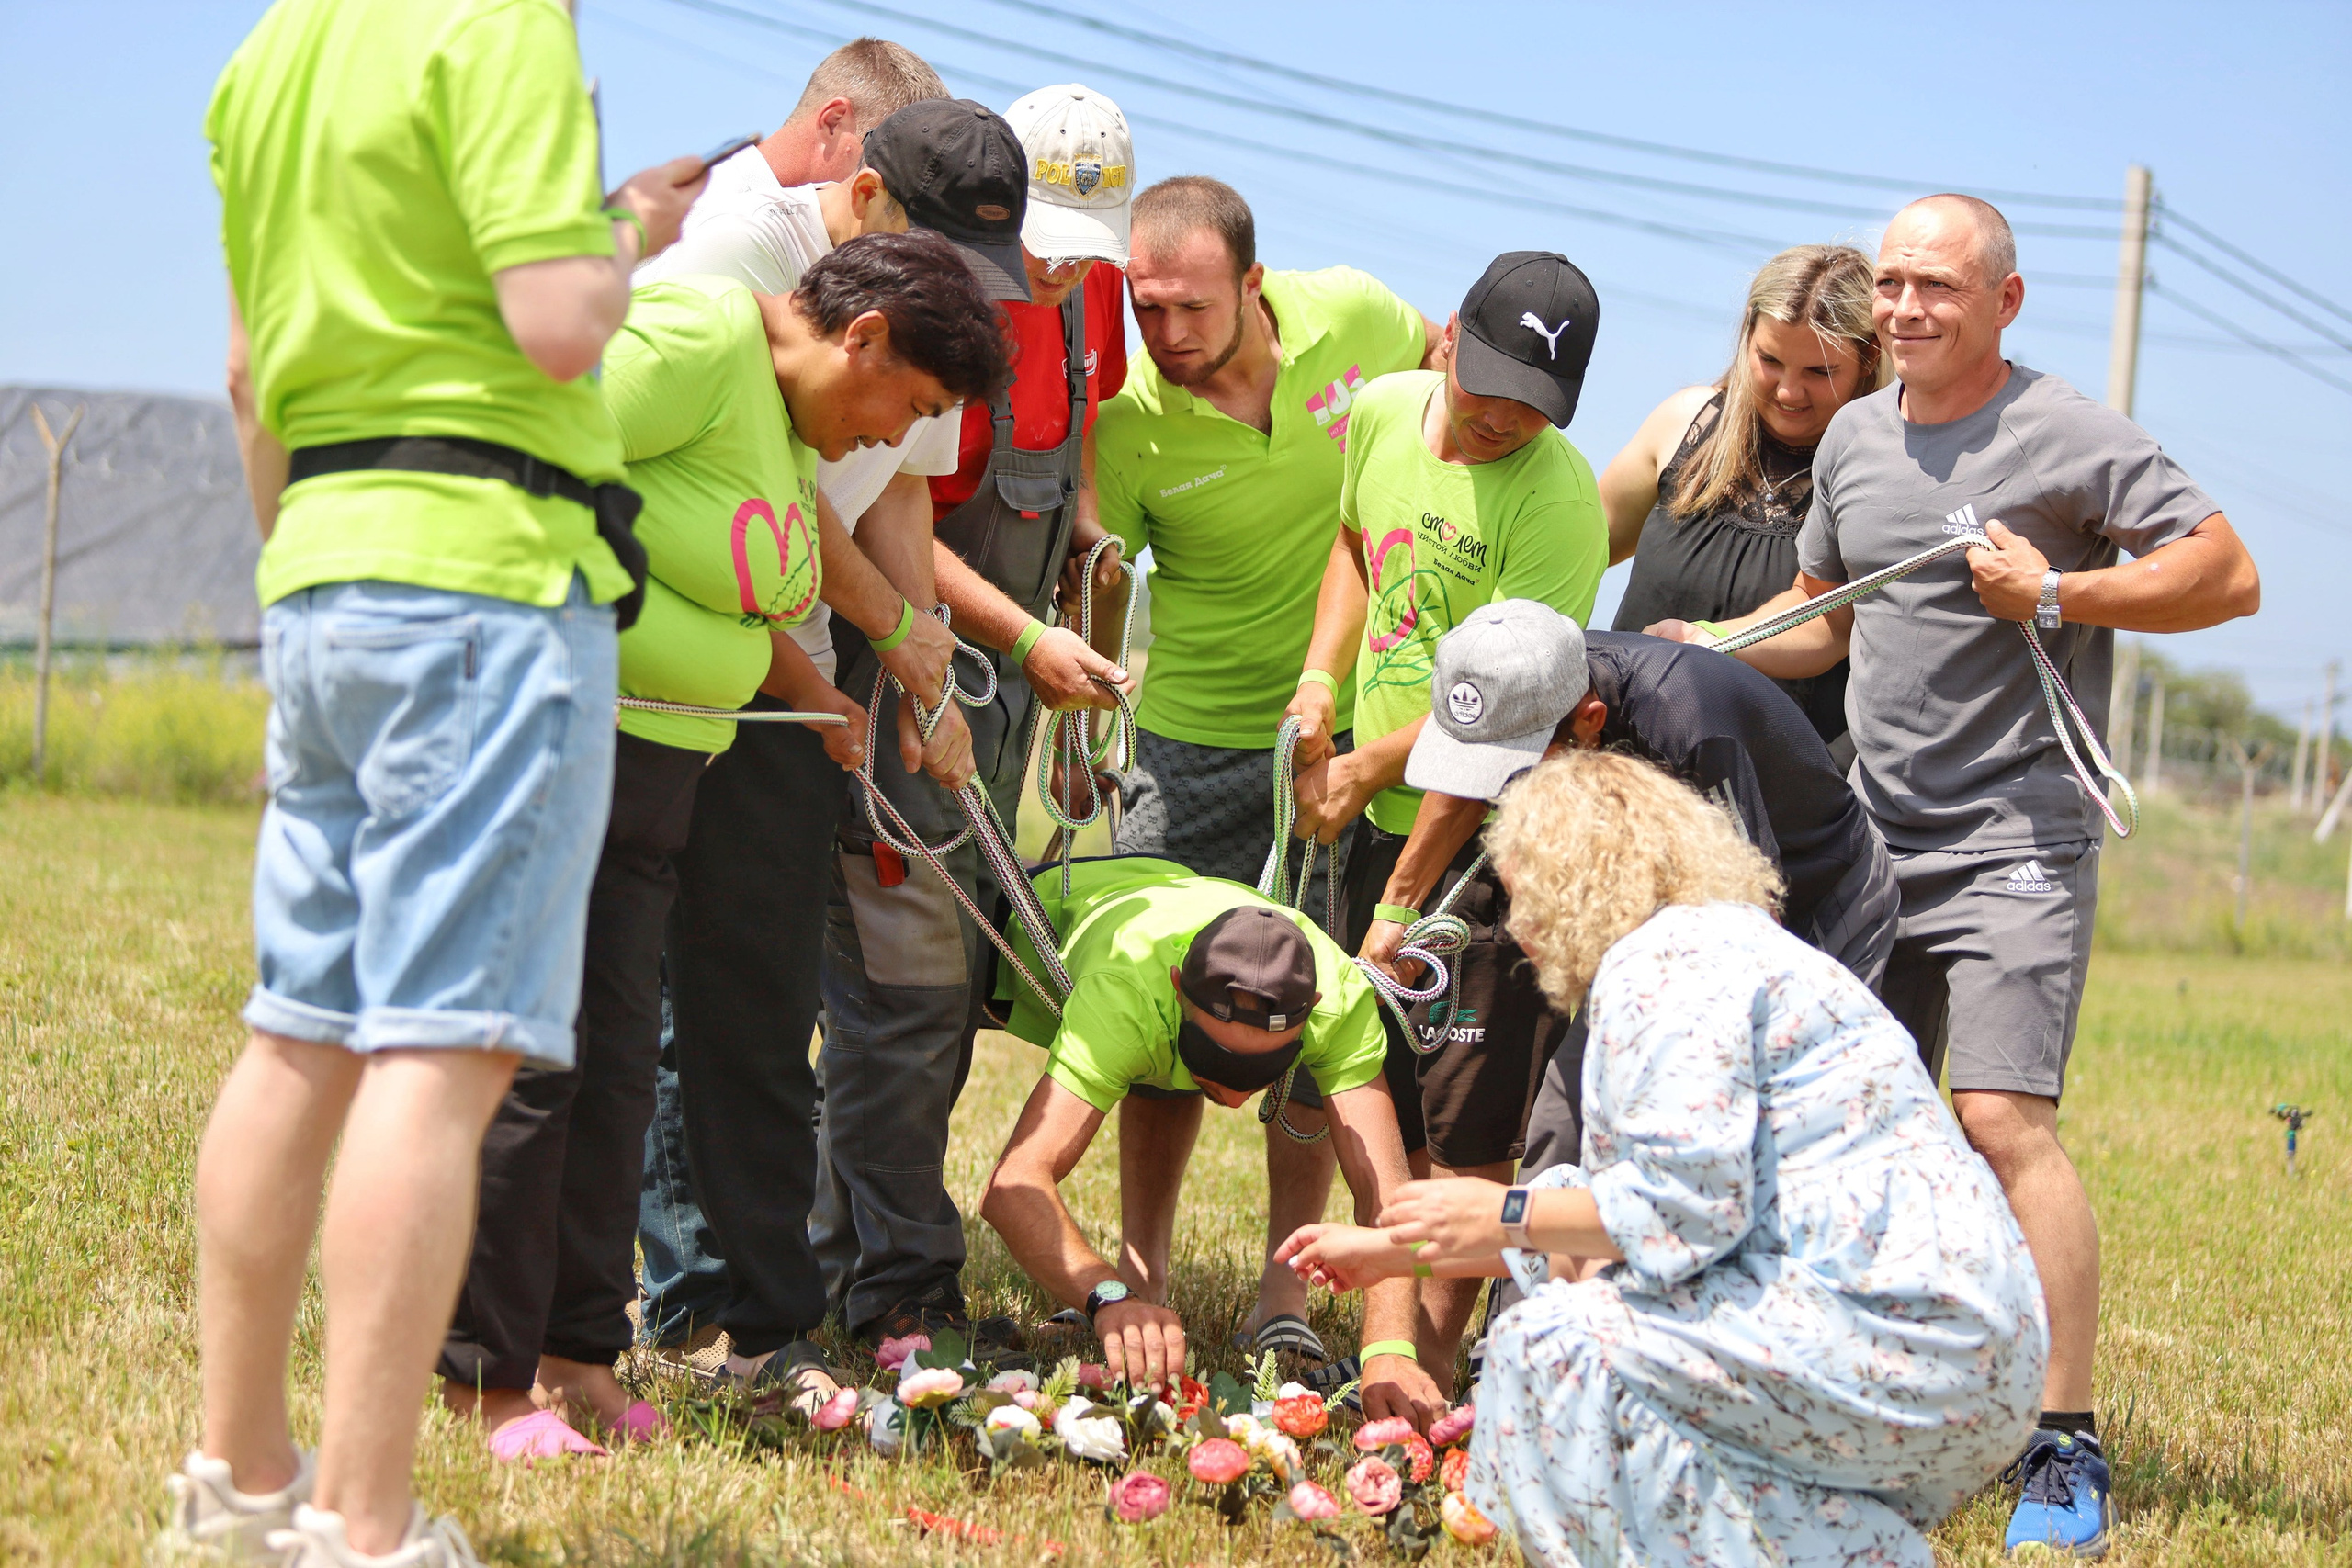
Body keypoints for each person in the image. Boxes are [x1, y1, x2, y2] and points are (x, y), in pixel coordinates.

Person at [175, 0, 704, 1559]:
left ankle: (238, 1485)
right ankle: (366, 1516)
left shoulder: (271, 50)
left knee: (297, 1036)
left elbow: (245, 371)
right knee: (442, 1054)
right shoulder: (500, 23)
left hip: (328, 564)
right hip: (484, 575)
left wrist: (309, 567)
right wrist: (623, 229)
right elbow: (554, 320)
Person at [1659, 193, 2260, 1556]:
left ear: (2006, 300)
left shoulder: (2069, 432)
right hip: (1879, 832)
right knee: (1849, 1117)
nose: (1911, 305)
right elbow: (1822, 628)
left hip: (2016, 841)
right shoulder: (1860, 438)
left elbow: (2227, 574)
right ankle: (1871, 1401)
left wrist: (2059, 594)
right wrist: (1707, 643)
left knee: (2000, 1116)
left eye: (1940, 283)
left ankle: (2064, 1442)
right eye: (1897, 283)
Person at [437, 235, 1011, 1459]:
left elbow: (733, 592)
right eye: (902, 407)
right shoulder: (698, 338)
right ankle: (482, 1377)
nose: (886, 438)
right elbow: (524, 473)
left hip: (660, 776)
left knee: (610, 1079)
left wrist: (818, 693)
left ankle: (580, 1354)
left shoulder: (787, 427)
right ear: (859, 337)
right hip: (564, 744)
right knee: (537, 1068)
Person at [1279, 748, 2049, 1568]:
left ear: (1576, 880)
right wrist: (1395, 1247)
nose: (1514, 927)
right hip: (1954, 1348)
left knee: (1547, 1347)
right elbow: (1613, 1226)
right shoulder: (1723, 947)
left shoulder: (1665, 972)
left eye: (1521, 891)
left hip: (1899, 1340)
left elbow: (1680, 1216)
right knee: (1567, 1218)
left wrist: (1504, 1210)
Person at [626, 65, 1032, 1397]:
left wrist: (913, 666)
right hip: (694, 648)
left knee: (766, 978)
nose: (953, 284)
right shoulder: (740, 256)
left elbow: (896, 491)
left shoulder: (916, 326)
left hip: (783, 652)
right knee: (667, 986)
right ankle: (686, 1299)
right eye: (931, 250)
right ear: (860, 194)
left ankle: (767, 1307)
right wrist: (870, 647)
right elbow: (771, 485)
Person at [811, 85, 1136, 1350]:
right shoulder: (932, 303)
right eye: (1041, 249)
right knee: (906, 983)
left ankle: (864, 1261)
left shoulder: (1082, 301)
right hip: (907, 668)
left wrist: (1090, 547)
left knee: (943, 1000)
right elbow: (889, 513)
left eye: (1078, 254)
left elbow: (1079, 442)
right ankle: (885, 1280)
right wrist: (1016, 635)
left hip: (1002, 700)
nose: (1055, 274)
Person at [1280, 252, 1609, 1392]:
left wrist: (1397, 876)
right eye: (1488, 386)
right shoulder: (1376, 412)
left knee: (1461, 1122)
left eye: (1535, 406)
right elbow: (1358, 550)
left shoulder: (1558, 505)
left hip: (1479, 843)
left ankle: (1422, 1361)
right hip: (1370, 812)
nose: (1505, 418)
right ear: (1449, 337)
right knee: (1367, 1083)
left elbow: (1499, 728)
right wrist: (1322, 680)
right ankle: (1379, 1341)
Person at [1382, 602, 1896, 1223]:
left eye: (1511, 771)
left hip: (1813, 895)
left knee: (1767, 1125)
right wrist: (1396, 909)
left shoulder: (1688, 722)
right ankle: (1536, 1316)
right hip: (1660, 916)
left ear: (1590, 721)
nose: (1499, 793)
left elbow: (1754, 928)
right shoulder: (1525, 679)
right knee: (1565, 1121)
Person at [976, 858, 1445, 1427]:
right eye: (1209, 1060)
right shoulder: (1124, 995)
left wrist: (1389, 1349)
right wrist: (1107, 1297)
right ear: (1178, 988)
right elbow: (1013, 1183)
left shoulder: (1340, 995)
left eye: (1260, 1071)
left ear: (1312, 1011)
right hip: (1029, 929)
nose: (1229, 1093)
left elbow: (1388, 1197)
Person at [1599, 243, 1882, 758]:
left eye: (1819, 372)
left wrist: (1705, 641)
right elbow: (1582, 544)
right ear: (1746, 336)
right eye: (1769, 360)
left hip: (1771, 784)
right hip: (1622, 763)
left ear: (1868, 361)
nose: (1790, 392)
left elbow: (1832, 624)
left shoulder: (1879, 472)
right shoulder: (1684, 421)